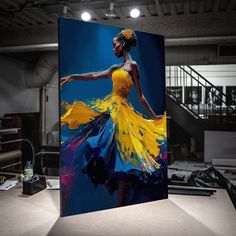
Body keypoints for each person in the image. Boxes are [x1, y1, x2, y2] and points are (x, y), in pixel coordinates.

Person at [60, 29, 167, 211]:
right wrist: (72, 77)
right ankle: (76, 185)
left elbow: (141, 97)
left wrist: (153, 116)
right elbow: (94, 75)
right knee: (92, 141)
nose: (113, 49)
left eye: (114, 45)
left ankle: (120, 204)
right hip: (110, 108)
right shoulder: (115, 68)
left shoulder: (133, 67)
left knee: (123, 156)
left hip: (124, 114)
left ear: (122, 44)